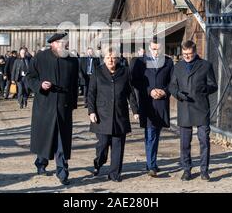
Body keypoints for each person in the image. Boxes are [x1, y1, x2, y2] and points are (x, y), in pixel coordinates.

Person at [26, 32, 79, 186]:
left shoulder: (72, 61)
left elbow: (75, 84)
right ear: (53, 44)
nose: (66, 45)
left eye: (66, 43)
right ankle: (41, 163)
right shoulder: (40, 58)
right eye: (63, 43)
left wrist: (73, 104)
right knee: (44, 137)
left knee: (62, 140)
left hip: (64, 106)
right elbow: (29, 77)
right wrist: (40, 85)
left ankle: (62, 172)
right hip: (45, 105)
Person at [88, 47, 139, 182]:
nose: (111, 60)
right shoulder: (98, 72)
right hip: (102, 115)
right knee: (103, 144)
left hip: (119, 114)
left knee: (118, 145)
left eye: (113, 57)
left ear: (117, 59)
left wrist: (135, 111)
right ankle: (98, 162)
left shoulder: (125, 72)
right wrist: (91, 111)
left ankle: (114, 174)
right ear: (104, 59)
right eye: (108, 57)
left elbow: (130, 93)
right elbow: (91, 93)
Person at [169, 41, 218, 181]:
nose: (187, 56)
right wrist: (178, 94)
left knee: (204, 140)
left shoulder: (206, 65)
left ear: (195, 52)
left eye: (190, 54)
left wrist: (205, 89)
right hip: (184, 107)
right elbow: (172, 86)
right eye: (184, 54)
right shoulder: (177, 67)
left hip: (201, 108)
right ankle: (186, 170)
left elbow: (213, 86)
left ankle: (204, 170)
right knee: (185, 143)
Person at [131, 37, 174, 177]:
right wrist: (149, 90)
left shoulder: (168, 62)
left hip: (161, 102)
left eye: (158, 49)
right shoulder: (140, 62)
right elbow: (136, 82)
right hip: (147, 102)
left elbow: (173, 82)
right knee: (151, 134)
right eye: (153, 49)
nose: (156, 52)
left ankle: (151, 163)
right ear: (149, 47)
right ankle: (151, 166)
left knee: (155, 134)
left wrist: (165, 91)